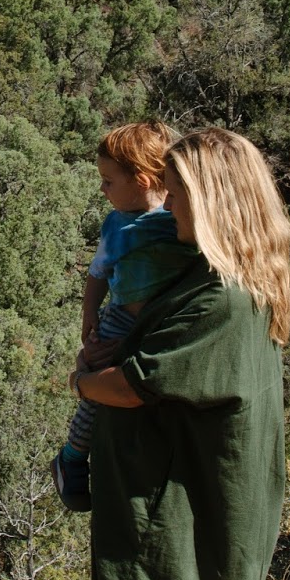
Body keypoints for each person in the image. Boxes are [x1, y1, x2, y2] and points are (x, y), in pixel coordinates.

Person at [70, 127, 290, 580]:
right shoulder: (212, 275)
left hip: (171, 550)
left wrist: (81, 383)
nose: (166, 206)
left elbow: (133, 387)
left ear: (211, 201)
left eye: (175, 194)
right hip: (160, 532)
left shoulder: (223, 300)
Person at [53, 121, 201, 512]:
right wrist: (89, 314)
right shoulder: (117, 224)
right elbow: (98, 272)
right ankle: (73, 457)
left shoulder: (179, 218)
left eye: (108, 181)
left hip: (165, 320)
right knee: (99, 389)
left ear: (141, 179)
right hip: (121, 317)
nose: (102, 190)